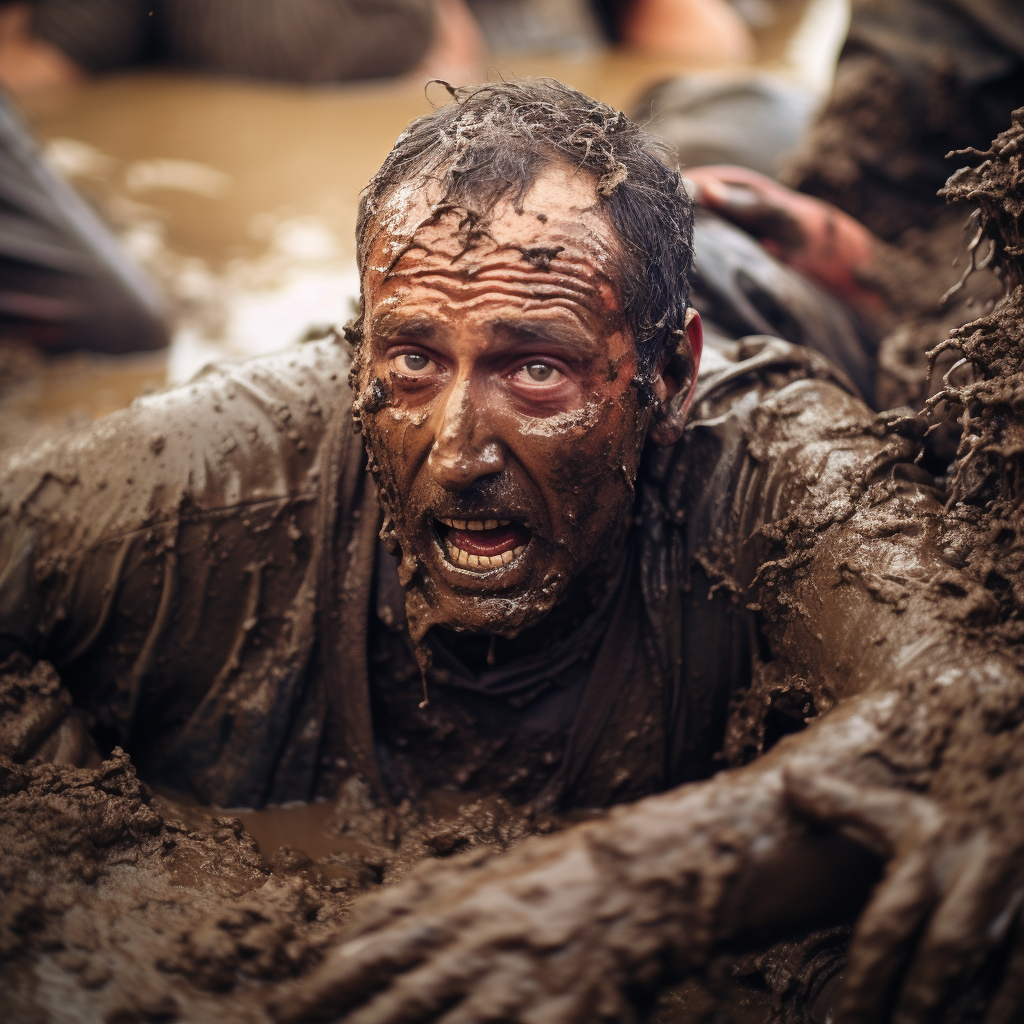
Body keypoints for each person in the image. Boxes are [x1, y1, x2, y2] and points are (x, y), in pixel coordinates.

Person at [1, 79, 1022, 1022]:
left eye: (534, 372)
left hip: (769, 291)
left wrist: (623, 893)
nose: (455, 454)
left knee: (735, 138)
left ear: (668, 378)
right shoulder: (231, 467)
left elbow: (981, 709)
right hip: (598, 277)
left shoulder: (764, 459)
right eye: (408, 361)